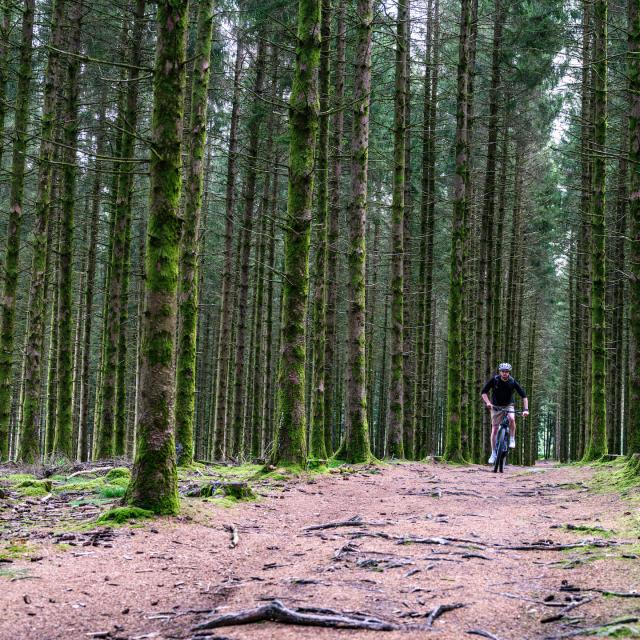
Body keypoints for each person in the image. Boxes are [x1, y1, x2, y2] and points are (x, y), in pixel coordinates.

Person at [481, 362, 529, 464]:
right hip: (496, 406)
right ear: (500, 372)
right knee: (494, 429)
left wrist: (526, 409)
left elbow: (524, 396)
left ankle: (512, 439)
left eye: (506, 372)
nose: (504, 373)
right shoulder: (494, 380)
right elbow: (484, 392)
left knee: (512, 418)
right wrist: (488, 403)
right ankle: (493, 453)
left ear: (509, 372)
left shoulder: (512, 381)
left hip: (508, 405)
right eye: (503, 371)